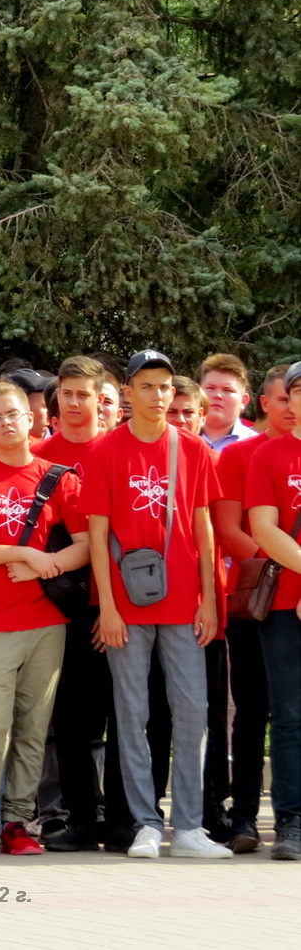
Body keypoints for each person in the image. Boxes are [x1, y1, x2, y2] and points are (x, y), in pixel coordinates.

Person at [82, 350, 231, 859]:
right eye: (147, 386)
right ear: (127, 392)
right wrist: (106, 606)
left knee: (192, 712)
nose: (158, 395)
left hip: (186, 603)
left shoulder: (191, 448)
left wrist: (210, 599)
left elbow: (206, 531)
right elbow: (98, 537)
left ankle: (189, 827)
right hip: (127, 605)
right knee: (133, 714)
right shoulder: (104, 451)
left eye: (165, 387)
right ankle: (146, 822)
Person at [0, 382, 88, 857]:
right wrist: (24, 552)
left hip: (45, 621)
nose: (7, 423)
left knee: (33, 724)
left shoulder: (58, 477)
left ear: (33, 418)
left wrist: (45, 565)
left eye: (15, 414)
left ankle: (18, 821)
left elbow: (87, 544)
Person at [36, 357, 130, 853]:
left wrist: (108, 605)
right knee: (70, 720)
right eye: (66, 394)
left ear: (102, 399)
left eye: (84, 394)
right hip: (62, 609)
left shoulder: (117, 451)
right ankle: (77, 816)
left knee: (123, 715)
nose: (75, 404)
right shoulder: (40, 454)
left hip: (117, 604)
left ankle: (119, 817)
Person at [212, 363, 291, 854]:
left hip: (293, 600)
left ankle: (289, 813)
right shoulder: (240, 455)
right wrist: (279, 568)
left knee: (292, 714)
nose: (289, 408)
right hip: (257, 601)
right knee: (252, 710)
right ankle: (243, 816)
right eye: (282, 399)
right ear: (264, 403)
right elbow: (229, 530)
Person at [243, 359, 301, 860]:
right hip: (284, 607)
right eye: (299, 389)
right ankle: (291, 822)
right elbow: (264, 529)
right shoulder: (269, 455)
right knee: (289, 717)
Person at [198, 354, 258, 452]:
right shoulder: (176, 441)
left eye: (228, 390)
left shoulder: (258, 447)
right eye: (210, 388)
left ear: (244, 401)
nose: (217, 395)